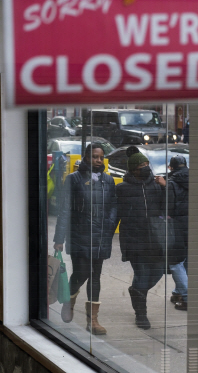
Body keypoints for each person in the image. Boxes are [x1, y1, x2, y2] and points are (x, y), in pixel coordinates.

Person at [53, 143, 117, 335]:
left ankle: (93, 320)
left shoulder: (108, 180)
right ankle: (68, 302)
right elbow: (64, 209)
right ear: (86, 157)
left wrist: (109, 225)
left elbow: (113, 206)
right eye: (94, 157)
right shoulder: (73, 179)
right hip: (79, 234)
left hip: (101, 236)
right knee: (81, 273)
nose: (98, 160)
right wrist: (59, 238)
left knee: (95, 276)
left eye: (101, 157)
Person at [116, 147, 173, 330]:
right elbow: (114, 214)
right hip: (134, 239)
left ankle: (136, 292)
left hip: (156, 240)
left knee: (156, 273)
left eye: (147, 164)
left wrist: (166, 188)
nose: (146, 167)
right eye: (142, 165)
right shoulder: (122, 189)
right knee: (141, 276)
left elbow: (170, 207)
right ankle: (141, 315)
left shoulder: (157, 185)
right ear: (133, 169)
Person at [155, 155, 189, 311]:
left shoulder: (171, 183)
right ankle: (178, 292)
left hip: (176, 227)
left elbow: (167, 207)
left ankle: (188, 297)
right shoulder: (195, 179)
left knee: (175, 263)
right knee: (186, 261)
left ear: (171, 167)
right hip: (193, 226)